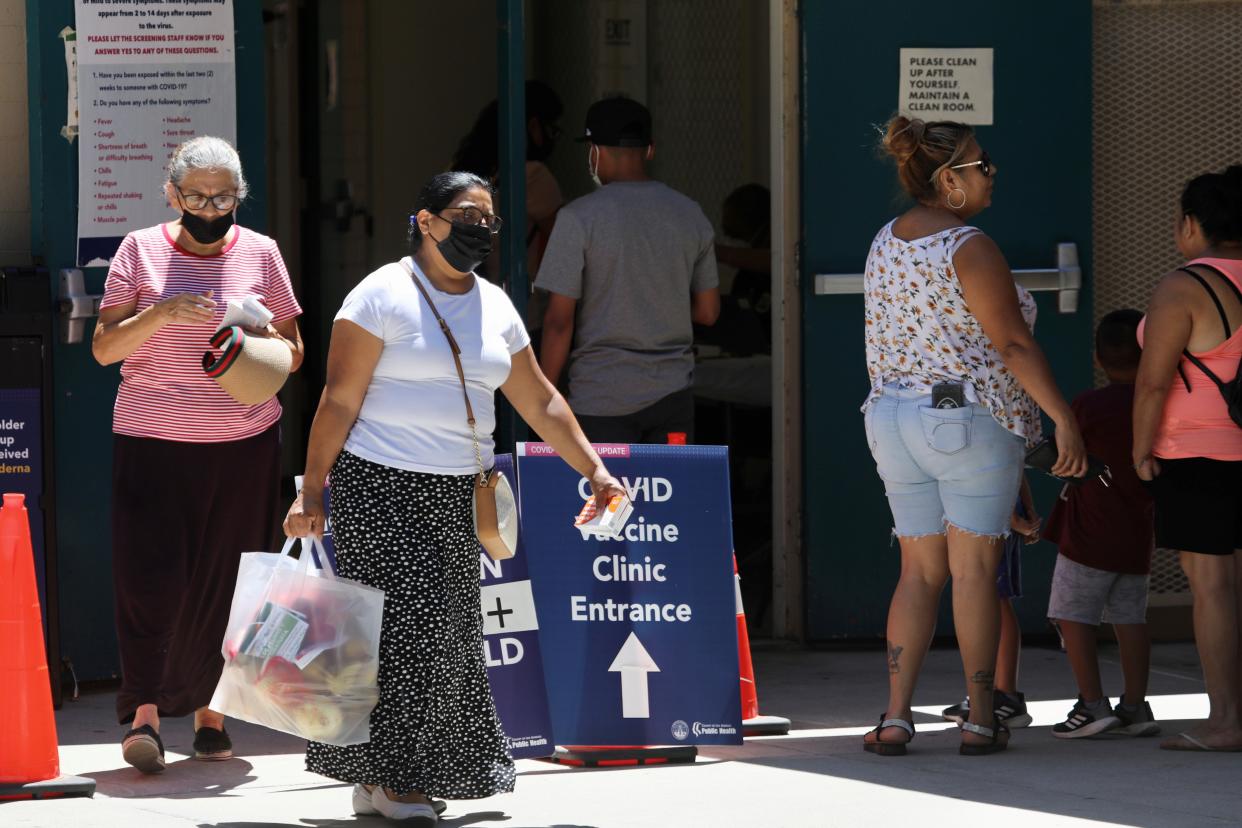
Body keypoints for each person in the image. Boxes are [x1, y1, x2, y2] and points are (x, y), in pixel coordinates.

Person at [283, 171, 625, 822]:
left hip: (458, 492)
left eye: (490, 220)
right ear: (427, 221)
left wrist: (595, 470)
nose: (481, 229)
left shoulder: (495, 305)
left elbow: (539, 399)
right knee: (412, 632)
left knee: (447, 636)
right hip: (380, 484)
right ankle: (402, 782)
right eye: (466, 215)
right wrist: (314, 490)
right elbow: (338, 400)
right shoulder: (378, 296)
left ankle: (375, 777)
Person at [860, 116, 1086, 757]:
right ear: (949, 179)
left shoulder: (886, 240)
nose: (992, 172)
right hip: (958, 416)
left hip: (893, 414)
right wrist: (1060, 419)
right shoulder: (970, 245)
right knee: (974, 574)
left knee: (917, 573)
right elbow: (1011, 344)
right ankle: (982, 715)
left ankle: (897, 716)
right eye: (982, 164)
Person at [92, 136, 305, 773]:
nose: (210, 208)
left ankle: (214, 714)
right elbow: (105, 349)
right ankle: (146, 714)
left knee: (232, 581)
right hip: (153, 440)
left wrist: (263, 338)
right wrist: (161, 314)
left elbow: (295, 353)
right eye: (197, 196)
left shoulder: (262, 253)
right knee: (149, 578)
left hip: (242, 444)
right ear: (172, 194)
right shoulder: (140, 249)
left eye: (223, 197)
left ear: (239, 196)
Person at [537, 96, 721, 444]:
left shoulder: (578, 218)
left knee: (607, 499)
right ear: (650, 150)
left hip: (600, 397)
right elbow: (709, 312)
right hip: (673, 395)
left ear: (593, 151)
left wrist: (543, 402)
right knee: (669, 497)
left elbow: (559, 321)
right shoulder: (689, 213)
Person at [1133, 165, 1242, 752]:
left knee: (1214, 588)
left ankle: (1227, 719)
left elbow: (1152, 386)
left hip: (1200, 455)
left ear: (1193, 224)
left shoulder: (1186, 287)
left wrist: (1139, 450)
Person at [1038, 309, 1159, 739]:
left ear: (1098, 357)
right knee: (1131, 619)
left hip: (1088, 535)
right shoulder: (1158, 405)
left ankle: (1091, 704)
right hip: (1137, 534)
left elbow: (1064, 454)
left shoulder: (1088, 405)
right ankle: (1135, 705)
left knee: (1072, 615)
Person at [452, 80, 564, 309]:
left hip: (466, 304)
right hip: (520, 309)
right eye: (552, 129)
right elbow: (564, 242)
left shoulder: (459, 172)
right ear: (533, 126)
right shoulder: (531, 174)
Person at [941, 481, 1041, 730]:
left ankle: (1006, 695)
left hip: (993, 512)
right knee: (992, 598)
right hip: (986, 509)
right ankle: (993, 693)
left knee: (995, 599)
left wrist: (1015, 516)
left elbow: (1008, 462)